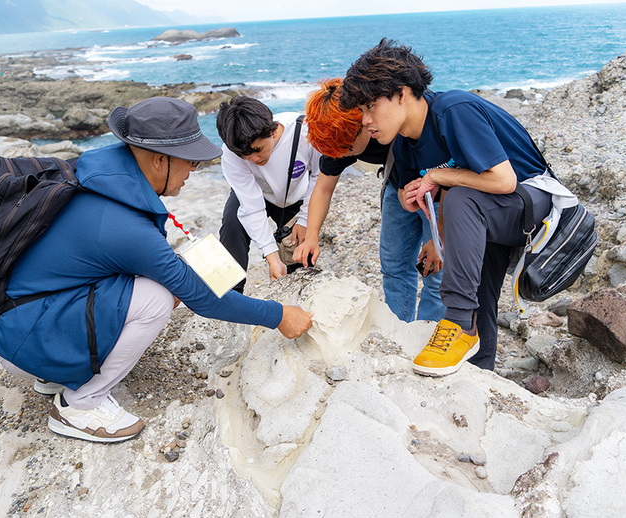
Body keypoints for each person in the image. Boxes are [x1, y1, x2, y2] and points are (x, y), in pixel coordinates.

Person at [0, 97, 314, 442]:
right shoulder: (122, 223)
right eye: (189, 161)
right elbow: (202, 299)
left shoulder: (99, 172)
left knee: (155, 281)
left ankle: (55, 371)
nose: (194, 171)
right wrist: (279, 315)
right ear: (159, 160)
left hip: (15, 319)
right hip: (23, 336)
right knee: (157, 297)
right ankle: (80, 403)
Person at [340, 39, 552, 377]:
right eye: (361, 111)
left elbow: (503, 181)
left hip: (537, 206)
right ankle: (480, 375)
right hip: (492, 213)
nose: (364, 120)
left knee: (460, 199)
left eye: (369, 107)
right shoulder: (406, 143)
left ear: (402, 93)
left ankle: (456, 323)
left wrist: (438, 175)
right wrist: (419, 213)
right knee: (480, 292)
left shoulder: (453, 110)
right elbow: (431, 197)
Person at [294, 78, 444, 323]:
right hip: (397, 185)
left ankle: (429, 333)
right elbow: (322, 189)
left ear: (364, 123)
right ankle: (399, 331)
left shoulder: (396, 119)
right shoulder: (340, 139)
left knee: (437, 272)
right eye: (336, 152)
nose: (342, 156)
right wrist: (311, 236)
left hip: (438, 193)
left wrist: (441, 232)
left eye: (347, 149)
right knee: (394, 267)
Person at [216, 96, 321, 292]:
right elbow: (252, 206)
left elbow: (319, 178)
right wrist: (271, 256)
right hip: (257, 193)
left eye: (258, 149)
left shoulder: (305, 131)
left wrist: (305, 219)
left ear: (272, 131)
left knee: (300, 259)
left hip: (295, 195)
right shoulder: (232, 151)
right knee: (231, 225)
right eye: (245, 155)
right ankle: (230, 294)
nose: (253, 159)